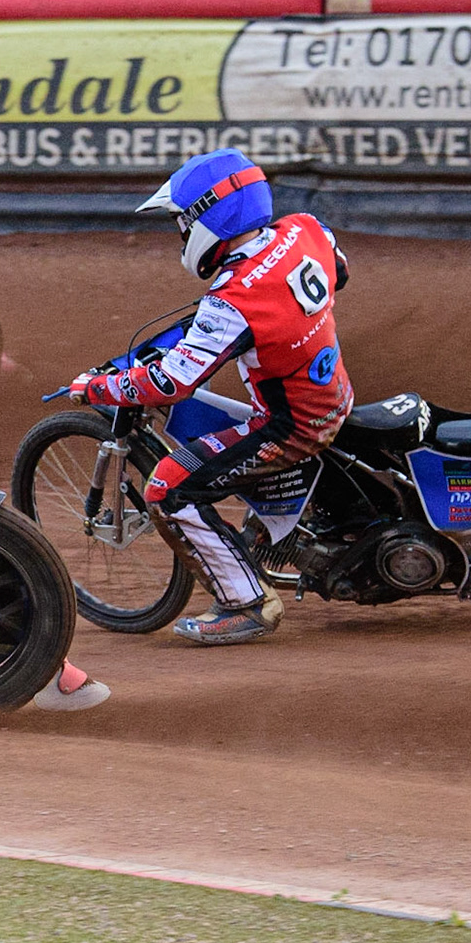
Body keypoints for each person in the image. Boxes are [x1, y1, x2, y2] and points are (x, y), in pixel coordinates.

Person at [67, 148, 353, 646]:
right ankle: (275, 532)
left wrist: (98, 387)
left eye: (181, 221)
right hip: (335, 393)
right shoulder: (305, 229)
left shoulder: (235, 298)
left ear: (208, 218)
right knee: (217, 431)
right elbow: (339, 273)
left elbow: (171, 384)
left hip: (294, 425)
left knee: (167, 488)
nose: (179, 234)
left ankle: (248, 604)